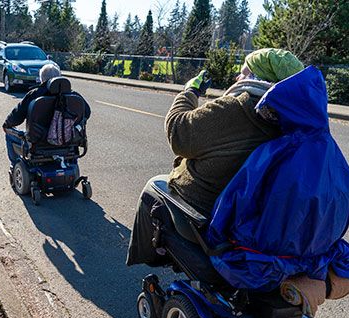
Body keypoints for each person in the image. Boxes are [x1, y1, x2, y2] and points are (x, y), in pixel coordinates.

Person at [127, 48, 304, 267]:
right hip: (256, 221)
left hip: (206, 213)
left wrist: (189, 91)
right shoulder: (296, 122)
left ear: (258, 78)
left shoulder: (238, 107)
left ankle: (150, 258)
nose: (238, 78)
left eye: (244, 72)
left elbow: (179, 133)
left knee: (152, 187)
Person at [2, 64, 91, 166]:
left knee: (9, 134)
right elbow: (87, 113)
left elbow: (17, 115)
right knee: (71, 141)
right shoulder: (74, 96)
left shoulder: (34, 95)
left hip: (38, 144)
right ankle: (70, 164)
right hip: (67, 142)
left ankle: (14, 165)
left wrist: (7, 124)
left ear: (41, 79)